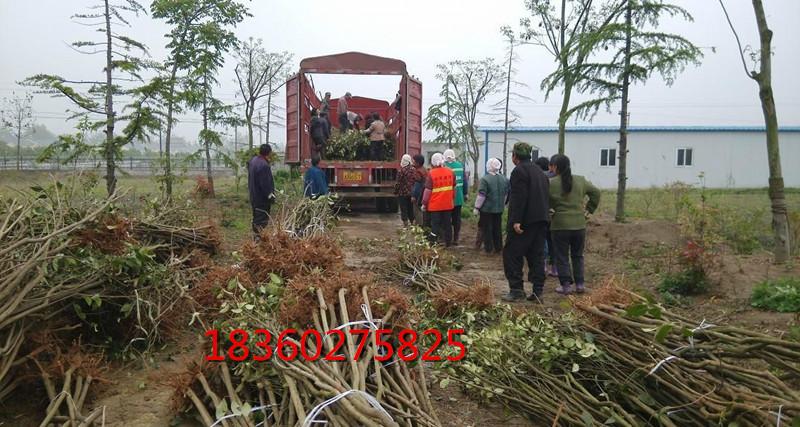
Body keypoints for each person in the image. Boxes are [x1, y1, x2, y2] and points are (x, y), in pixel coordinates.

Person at [502, 142, 550, 302]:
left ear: (515, 156)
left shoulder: (519, 171)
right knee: (536, 256)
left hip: (524, 222)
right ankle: (537, 292)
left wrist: (516, 220)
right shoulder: (540, 172)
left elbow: (519, 197)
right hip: (541, 220)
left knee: (512, 254)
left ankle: (516, 290)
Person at [549, 154, 601, 295]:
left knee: (562, 256)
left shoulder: (551, 183)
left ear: (555, 167)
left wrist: (551, 210)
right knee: (578, 256)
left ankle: (565, 286)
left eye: (551, 165)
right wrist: (589, 210)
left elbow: (544, 201)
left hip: (560, 225)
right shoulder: (580, 180)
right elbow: (596, 193)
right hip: (579, 224)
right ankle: (580, 284)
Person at [474, 158, 508, 254]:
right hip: (499, 208)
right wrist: (503, 204)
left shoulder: (485, 179)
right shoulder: (504, 179)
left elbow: (482, 195)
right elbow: (506, 194)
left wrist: (477, 207)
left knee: (487, 229)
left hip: (487, 209)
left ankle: (488, 248)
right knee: (497, 228)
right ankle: (498, 248)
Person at [422, 153, 456, 247]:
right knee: (447, 224)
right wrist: (452, 199)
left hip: (435, 205)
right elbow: (454, 188)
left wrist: (424, 203)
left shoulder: (431, 173)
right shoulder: (451, 172)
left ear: (432, 162)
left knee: (435, 225)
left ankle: (433, 242)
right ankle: (448, 242)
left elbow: (427, 191)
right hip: (448, 204)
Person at [248, 144, 276, 238]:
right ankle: (258, 239)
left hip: (254, 195)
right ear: (269, 153)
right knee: (261, 218)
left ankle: (256, 237)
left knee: (256, 216)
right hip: (261, 198)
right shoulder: (264, 165)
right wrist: (270, 195)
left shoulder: (253, 161)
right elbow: (265, 184)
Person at [535, 156, 557, 276]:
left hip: (542, 213)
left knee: (542, 240)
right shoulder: (557, 178)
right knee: (553, 241)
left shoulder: (539, 178)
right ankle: (554, 267)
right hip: (555, 215)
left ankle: (543, 266)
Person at [443, 149, 468, 245]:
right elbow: (465, 182)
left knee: (446, 219)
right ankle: (456, 237)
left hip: (447, 198)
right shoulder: (460, 166)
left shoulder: (444, 166)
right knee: (457, 218)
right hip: (458, 197)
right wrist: (465, 194)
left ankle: (447, 238)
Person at [394, 154, 416, 226]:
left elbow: (398, 183)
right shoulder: (414, 170)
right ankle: (412, 224)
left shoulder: (401, 171)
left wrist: (395, 191)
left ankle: (405, 225)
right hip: (412, 193)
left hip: (402, 193)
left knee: (404, 209)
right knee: (410, 208)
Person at [411, 154, 428, 227]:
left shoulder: (418, 172)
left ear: (418, 163)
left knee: (417, 211)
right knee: (423, 211)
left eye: (413, 161)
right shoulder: (424, 170)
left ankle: (419, 227)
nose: (412, 162)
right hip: (424, 193)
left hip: (419, 195)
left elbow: (417, 185)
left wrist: (413, 196)